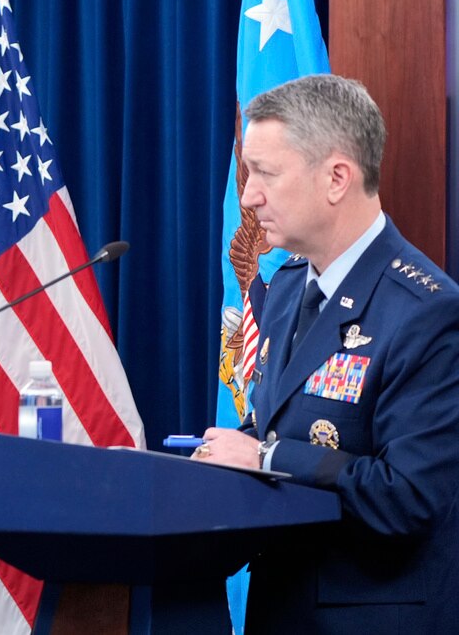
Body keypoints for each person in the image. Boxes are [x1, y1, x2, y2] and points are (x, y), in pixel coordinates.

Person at [193, 74, 459, 633]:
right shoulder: (287, 286)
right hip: (277, 613)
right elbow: (276, 420)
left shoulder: (427, 312)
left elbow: (406, 498)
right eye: (248, 173)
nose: (248, 195)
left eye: (266, 172)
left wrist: (264, 458)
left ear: (337, 177)